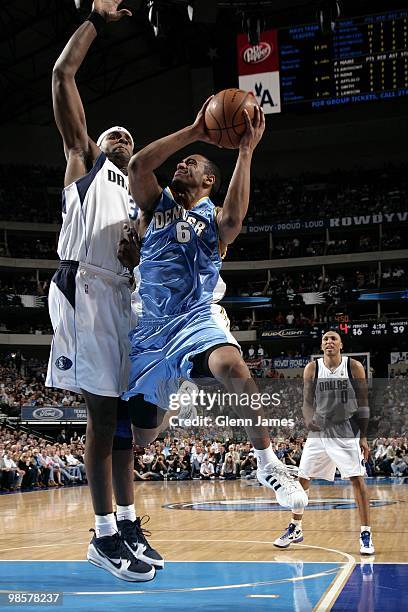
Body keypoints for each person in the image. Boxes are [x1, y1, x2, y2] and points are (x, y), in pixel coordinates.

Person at [118, 96, 308, 511]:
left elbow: (235, 222)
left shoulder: (214, 218)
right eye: (181, 161)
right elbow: (137, 166)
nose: (182, 164)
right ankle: (175, 397)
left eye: (193, 163)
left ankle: (266, 462)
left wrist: (245, 150)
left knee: (232, 366)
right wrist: (197, 129)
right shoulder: (155, 205)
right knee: (143, 437)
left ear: (209, 182)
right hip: (149, 330)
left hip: (195, 319)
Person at [45, 0, 161, 581]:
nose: (119, 135)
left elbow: (143, 256)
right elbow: (63, 74)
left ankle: (127, 521)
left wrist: (138, 252)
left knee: (124, 422)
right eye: (112, 130)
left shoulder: (136, 199)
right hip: (84, 287)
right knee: (100, 415)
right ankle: (102, 534)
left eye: (126, 135)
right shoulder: (82, 159)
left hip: (121, 295)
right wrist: (94, 17)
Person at [273, 330, 375, 555]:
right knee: (302, 480)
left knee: (357, 480)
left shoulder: (353, 367)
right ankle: (295, 527)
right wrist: (308, 418)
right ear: (321, 346)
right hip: (319, 430)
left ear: (341, 344)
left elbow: (364, 403)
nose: (329, 342)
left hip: (345, 428)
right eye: (325, 339)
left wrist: (364, 436)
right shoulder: (313, 368)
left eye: (333, 339)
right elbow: (307, 402)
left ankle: (365, 533)